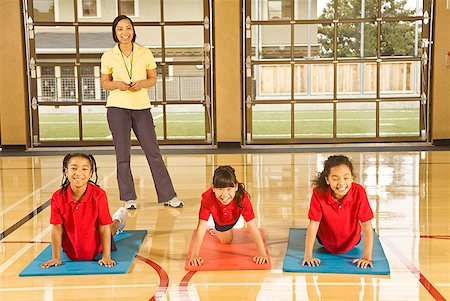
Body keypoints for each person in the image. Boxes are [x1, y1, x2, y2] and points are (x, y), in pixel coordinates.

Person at [100, 15, 183, 209]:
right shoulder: (108, 56)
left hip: (141, 108)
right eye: (120, 29)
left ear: (133, 30)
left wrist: (141, 84)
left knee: (153, 152)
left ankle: (168, 196)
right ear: (115, 33)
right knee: (122, 155)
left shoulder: (145, 52)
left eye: (128, 28)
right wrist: (118, 84)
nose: (124, 32)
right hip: (117, 109)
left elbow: (152, 79)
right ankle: (129, 198)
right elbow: (105, 83)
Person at [41, 153, 128, 268]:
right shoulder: (57, 197)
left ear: (91, 173)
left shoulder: (99, 195)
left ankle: (119, 218)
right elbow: (57, 228)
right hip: (72, 251)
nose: (79, 173)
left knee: (111, 227)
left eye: (84, 169)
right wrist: (55, 258)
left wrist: (106, 256)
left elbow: (104, 227)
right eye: (74, 168)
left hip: (97, 245)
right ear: (66, 171)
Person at [302, 155, 374, 269]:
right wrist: (308, 256)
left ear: (351, 178)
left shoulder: (359, 192)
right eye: (335, 179)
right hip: (325, 242)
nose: (341, 183)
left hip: (353, 240)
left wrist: (366, 258)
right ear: (327, 180)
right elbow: (314, 224)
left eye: (346, 178)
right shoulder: (318, 193)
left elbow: (366, 225)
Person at [189, 165, 268, 266]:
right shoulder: (207, 198)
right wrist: (194, 255)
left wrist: (262, 254)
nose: (225, 194)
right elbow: (200, 227)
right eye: (220, 189)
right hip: (219, 218)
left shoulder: (242, 198)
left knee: (238, 225)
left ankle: (235, 221)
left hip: (235, 216)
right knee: (226, 241)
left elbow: (252, 227)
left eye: (229, 189)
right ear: (213, 188)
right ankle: (212, 225)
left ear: (236, 187)